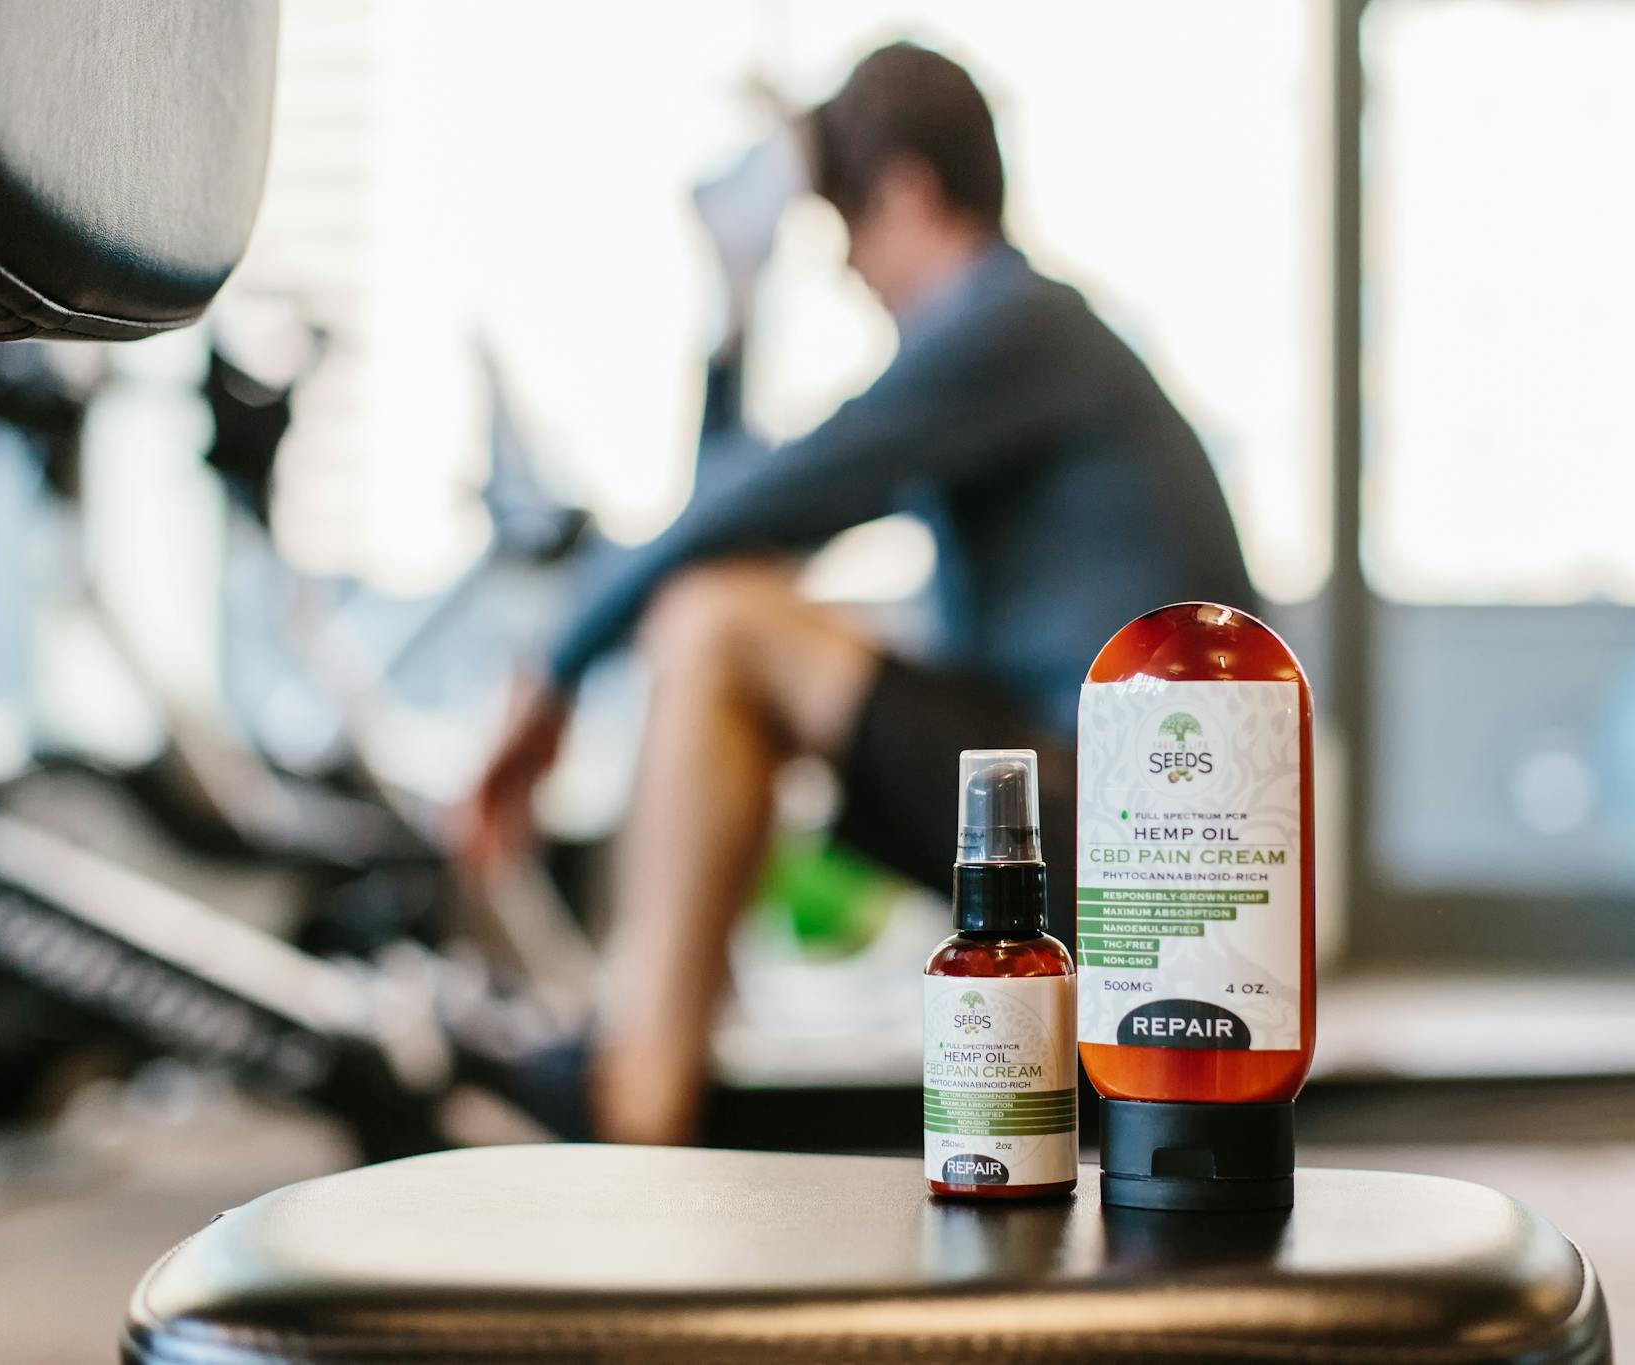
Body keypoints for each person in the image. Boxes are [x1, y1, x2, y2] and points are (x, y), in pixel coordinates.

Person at [460, 42, 1258, 1146]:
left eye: (846, 228)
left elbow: (767, 502)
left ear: (909, 194)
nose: (845, 269)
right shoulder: (1013, 340)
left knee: (718, 623)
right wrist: (732, 315)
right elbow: (734, 511)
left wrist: (551, 672)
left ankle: (633, 1098)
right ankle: (641, 1071)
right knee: (721, 620)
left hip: (1136, 849)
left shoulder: (1009, 326)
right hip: (1069, 795)